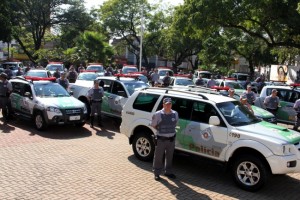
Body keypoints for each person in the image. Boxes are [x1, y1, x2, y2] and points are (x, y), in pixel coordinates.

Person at [151, 97, 179, 181]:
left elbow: (175, 124)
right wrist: (160, 130)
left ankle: (168, 172)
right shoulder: (158, 114)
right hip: (161, 140)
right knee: (158, 157)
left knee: (169, 157)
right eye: (166, 104)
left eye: (170, 104)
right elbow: (153, 125)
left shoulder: (175, 113)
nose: (168, 106)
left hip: (171, 140)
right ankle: (157, 173)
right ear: (163, 105)